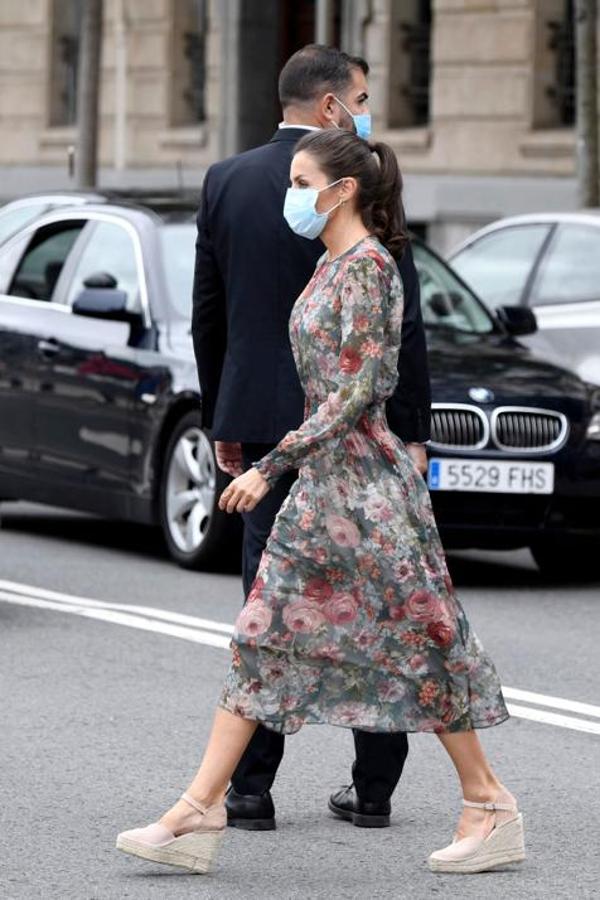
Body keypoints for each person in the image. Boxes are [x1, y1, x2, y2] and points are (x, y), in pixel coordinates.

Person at [116, 129, 525, 877]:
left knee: (423, 645)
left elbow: (361, 393)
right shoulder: (328, 264)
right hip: (325, 489)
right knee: (263, 635)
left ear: (342, 191)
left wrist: (272, 466)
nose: (291, 193)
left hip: (366, 490)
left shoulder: (369, 268)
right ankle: (199, 808)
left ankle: (489, 801)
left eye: (302, 181)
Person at [191, 44, 431, 832]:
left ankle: (250, 791)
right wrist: (416, 432)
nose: (365, 109)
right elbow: (408, 333)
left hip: (266, 427)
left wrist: (228, 421)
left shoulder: (225, 181)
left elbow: (212, 315)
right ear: (331, 106)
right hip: (359, 440)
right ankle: (373, 790)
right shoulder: (364, 185)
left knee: (271, 603)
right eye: (360, 95)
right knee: (373, 604)